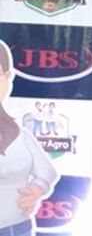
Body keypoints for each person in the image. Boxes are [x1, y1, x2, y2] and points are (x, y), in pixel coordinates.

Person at [0, 40, 60, 236]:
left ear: (8, 78)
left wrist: (37, 188)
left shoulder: (20, 135)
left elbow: (47, 172)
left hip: (16, 228)